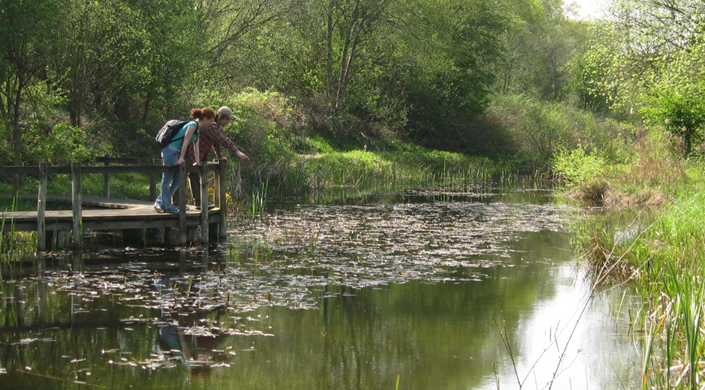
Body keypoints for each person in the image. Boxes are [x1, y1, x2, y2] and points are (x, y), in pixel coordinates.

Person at [183, 106, 249, 209]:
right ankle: (183, 203)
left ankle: (199, 202)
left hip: (198, 155)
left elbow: (216, 142)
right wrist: (237, 152)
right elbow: (222, 139)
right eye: (227, 119)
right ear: (221, 117)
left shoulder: (214, 127)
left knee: (194, 176)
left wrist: (219, 156)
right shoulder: (211, 125)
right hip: (190, 153)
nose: (228, 122)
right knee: (184, 177)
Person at [154, 108, 215, 213]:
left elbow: (196, 145)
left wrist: (197, 161)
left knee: (178, 179)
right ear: (205, 118)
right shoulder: (193, 125)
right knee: (167, 178)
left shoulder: (197, 129)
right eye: (210, 121)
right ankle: (167, 206)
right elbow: (186, 141)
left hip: (175, 153)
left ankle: (160, 202)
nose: (211, 123)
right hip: (170, 151)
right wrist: (182, 158)